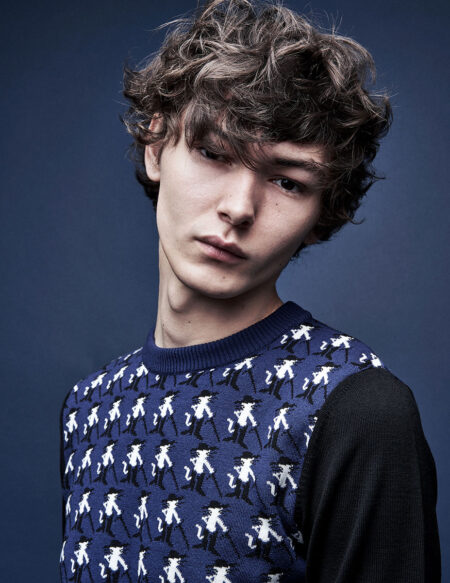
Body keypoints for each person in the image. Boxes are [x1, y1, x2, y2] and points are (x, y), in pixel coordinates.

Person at [59, 1, 441, 581]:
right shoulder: (89, 407)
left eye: (288, 181)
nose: (239, 208)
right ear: (155, 146)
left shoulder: (357, 412)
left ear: (322, 214)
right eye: (214, 153)